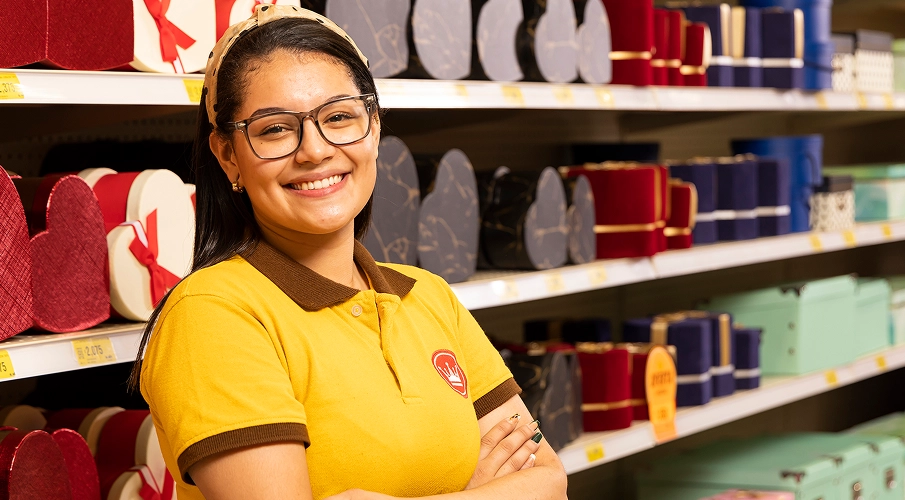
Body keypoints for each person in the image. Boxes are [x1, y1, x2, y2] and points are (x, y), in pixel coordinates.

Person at [132, 5, 568, 500]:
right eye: (275, 129)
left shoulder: (429, 296)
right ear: (228, 155)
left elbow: (550, 482)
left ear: (374, 128)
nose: (315, 150)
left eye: (339, 117)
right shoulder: (212, 314)